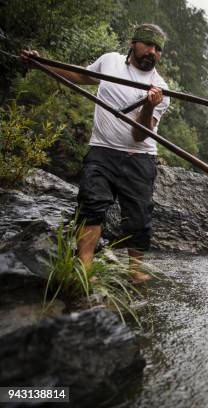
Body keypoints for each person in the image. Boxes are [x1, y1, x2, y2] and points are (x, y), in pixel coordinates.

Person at [21, 23, 171, 283]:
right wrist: (41, 65)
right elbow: (79, 76)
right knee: (91, 206)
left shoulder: (161, 88)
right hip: (101, 151)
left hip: (139, 157)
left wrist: (148, 106)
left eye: (158, 49)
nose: (152, 52)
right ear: (133, 43)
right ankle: (84, 269)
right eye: (148, 45)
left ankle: (135, 271)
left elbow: (139, 135)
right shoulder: (110, 62)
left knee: (138, 217)